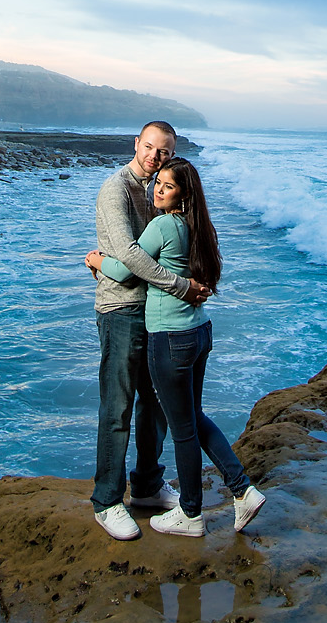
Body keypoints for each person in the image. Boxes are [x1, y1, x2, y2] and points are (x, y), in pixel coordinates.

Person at [86, 156, 265, 537]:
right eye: (158, 183)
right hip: (200, 332)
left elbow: (124, 268)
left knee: (183, 428)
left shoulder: (163, 224)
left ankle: (192, 513)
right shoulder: (200, 226)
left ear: (182, 196)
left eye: (167, 186)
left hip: (170, 337)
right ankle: (240, 488)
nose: (158, 190)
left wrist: (97, 258)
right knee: (193, 417)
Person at [90, 121, 212, 541]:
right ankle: (107, 501)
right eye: (150, 148)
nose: (155, 157)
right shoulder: (116, 189)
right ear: (136, 144)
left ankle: (145, 485)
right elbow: (125, 255)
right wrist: (182, 287)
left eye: (164, 152)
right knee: (118, 406)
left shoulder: (158, 189)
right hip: (121, 309)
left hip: (156, 314)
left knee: (155, 404)